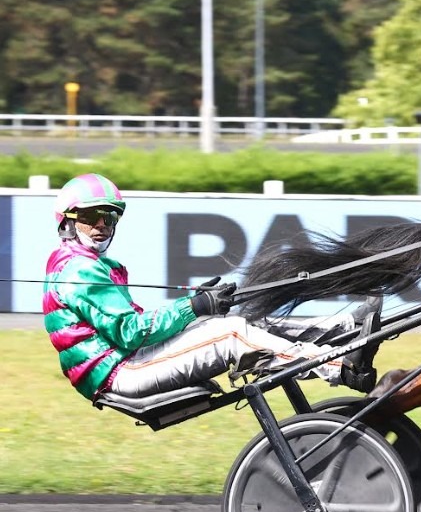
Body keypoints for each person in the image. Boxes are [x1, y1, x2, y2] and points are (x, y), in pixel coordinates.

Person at [42, 173, 379, 403]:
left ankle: (346, 330)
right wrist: (193, 307)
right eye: (91, 216)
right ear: (68, 220)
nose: (102, 224)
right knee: (231, 333)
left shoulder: (88, 264)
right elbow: (131, 333)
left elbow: (132, 328)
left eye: (109, 217)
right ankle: (339, 367)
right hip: (120, 373)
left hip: (125, 361)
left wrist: (198, 306)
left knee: (247, 321)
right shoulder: (78, 270)